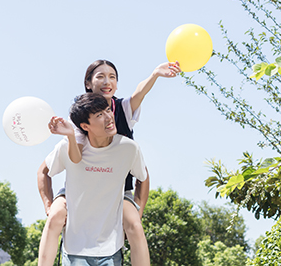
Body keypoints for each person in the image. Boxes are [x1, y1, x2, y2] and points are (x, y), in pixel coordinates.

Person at [37, 60, 181, 266]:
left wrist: (155, 75)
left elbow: (140, 93)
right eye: (100, 76)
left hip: (119, 189)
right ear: (88, 83)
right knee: (56, 217)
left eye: (112, 77)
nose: (107, 81)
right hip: (81, 191)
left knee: (133, 224)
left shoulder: (122, 109)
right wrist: (49, 205)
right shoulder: (79, 116)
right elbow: (75, 158)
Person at [44, 92, 147, 266]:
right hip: (75, 251)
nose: (109, 117)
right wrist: (49, 205)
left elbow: (143, 177)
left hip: (110, 251)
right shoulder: (67, 148)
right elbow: (44, 172)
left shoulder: (129, 148)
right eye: (100, 115)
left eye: (108, 110)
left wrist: (138, 210)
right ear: (85, 126)